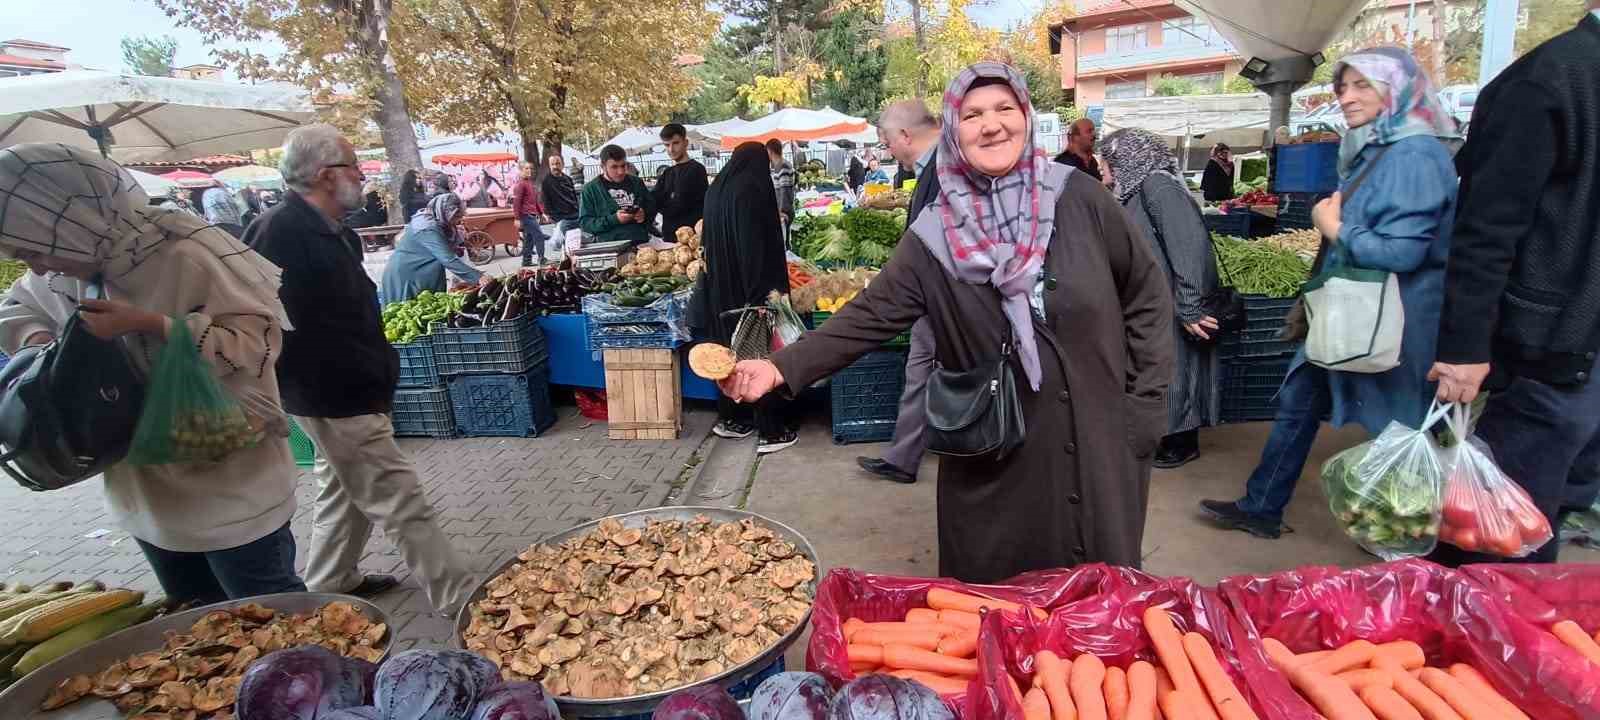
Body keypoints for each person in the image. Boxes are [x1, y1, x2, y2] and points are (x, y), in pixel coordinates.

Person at [719, 63, 1174, 582]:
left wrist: (1146, 405)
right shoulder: (935, 234)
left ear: (1026, 116)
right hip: (997, 446)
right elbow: (871, 314)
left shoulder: (1080, 198)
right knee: (999, 604)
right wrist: (778, 369)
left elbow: (1146, 294)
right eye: (973, 114)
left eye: (1005, 108)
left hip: (1100, 439)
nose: (992, 125)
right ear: (955, 131)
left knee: (1100, 602)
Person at [0, 143, 306, 606]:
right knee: (197, 624)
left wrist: (150, 325)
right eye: (24, 257)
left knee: (272, 613)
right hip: (143, 496)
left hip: (230, 490)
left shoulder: (186, 254)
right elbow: (15, 308)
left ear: (72, 224)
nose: (38, 266)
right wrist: (38, 344)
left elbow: (257, 344)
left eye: (37, 251)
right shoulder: (60, 272)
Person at [1199, 48, 1460, 539]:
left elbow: (1402, 254)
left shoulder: (1415, 154)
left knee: (1400, 425)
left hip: (1395, 319)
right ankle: (1262, 507)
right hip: (1348, 309)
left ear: (1397, 91)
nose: (1346, 96)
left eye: (1363, 85)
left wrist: (1332, 226)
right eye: (1343, 86)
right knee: (1299, 400)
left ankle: (1405, 533)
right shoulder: (1374, 149)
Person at [246, 124, 475, 613]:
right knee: (398, 497)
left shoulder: (334, 231)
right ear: (326, 175)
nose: (362, 175)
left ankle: (331, 580)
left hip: (350, 385)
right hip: (333, 391)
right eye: (353, 166)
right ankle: (459, 596)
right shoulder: (279, 232)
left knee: (341, 488)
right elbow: (254, 318)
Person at [1428, 5, 1600, 565]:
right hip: (1546, 348)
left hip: (1584, 353)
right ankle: (1475, 636)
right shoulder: (1548, 80)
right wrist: (1464, 349)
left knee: (1546, 509)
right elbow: (1486, 228)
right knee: (1503, 530)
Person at [1103, 128, 1222, 469]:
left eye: (1108, 159)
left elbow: (1189, 247)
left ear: (1128, 158)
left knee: (1178, 368)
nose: (1103, 166)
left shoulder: (1158, 187)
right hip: (1155, 301)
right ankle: (1167, 432)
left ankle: (1181, 440)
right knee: (1163, 367)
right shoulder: (1135, 191)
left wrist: (1189, 306)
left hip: (1173, 299)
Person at [857, 100, 944, 485]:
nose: (888, 150)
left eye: (888, 141)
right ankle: (903, 457)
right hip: (934, 298)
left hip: (950, 299)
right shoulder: (931, 167)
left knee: (935, 370)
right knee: (920, 368)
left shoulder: (949, 166)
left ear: (906, 135)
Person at [695, 142, 798, 454]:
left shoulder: (716, 191)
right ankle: (772, 431)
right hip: (750, 293)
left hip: (720, 293)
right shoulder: (752, 190)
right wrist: (764, 297)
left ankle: (733, 419)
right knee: (758, 359)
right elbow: (754, 249)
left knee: (726, 357)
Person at [381, 192, 482, 305]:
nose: (458, 220)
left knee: (429, 309)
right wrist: (479, 277)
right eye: (456, 217)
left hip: (423, 272)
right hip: (407, 275)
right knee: (408, 311)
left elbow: (452, 250)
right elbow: (447, 259)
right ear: (445, 213)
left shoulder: (440, 221)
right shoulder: (426, 227)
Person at [579, 144, 654, 246]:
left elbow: (652, 207)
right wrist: (614, 219)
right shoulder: (590, 189)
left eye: (623, 165)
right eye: (614, 167)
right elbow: (585, 224)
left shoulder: (637, 182)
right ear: (603, 167)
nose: (620, 171)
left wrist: (644, 214)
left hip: (641, 244)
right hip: (610, 246)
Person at [653, 123, 709, 242]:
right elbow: (654, 199)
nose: (671, 149)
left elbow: (681, 202)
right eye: (667, 145)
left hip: (691, 239)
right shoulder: (667, 172)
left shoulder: (697, 169)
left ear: (686, 142)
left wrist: (665, 204)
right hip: (669, 237)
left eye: (675, 143)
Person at [511, 162, 551, 267]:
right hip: (526, 215)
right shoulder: (520, 185)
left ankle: (526, 261)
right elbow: (516, 202)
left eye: (530, 168)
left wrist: (542, 213)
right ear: (520, 171)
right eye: (526, 168)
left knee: (529, 239)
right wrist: (517, 218)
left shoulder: (529, 183)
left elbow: (535, 201)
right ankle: (541, 258)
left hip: (531, 214)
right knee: (539, 236)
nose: (529, 170)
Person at [542, 154, 581, 245]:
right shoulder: (546, 181)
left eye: (558, 163)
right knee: (564, 242)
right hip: (560, 218)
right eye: (552, 164)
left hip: (575, 215)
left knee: (576, 240)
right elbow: (546, 200)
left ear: (562, 164)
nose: (555, 166)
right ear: (549, 165)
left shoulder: (568, 179)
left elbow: (574, 196)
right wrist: (551, 216)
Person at [767, 139, 797, 229]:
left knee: (785, 241)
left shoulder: (783, 166)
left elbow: (785, 191)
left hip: (784, 213)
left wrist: (782, 212)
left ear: (770, 151)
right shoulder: (777, 166)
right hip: (780, 212)